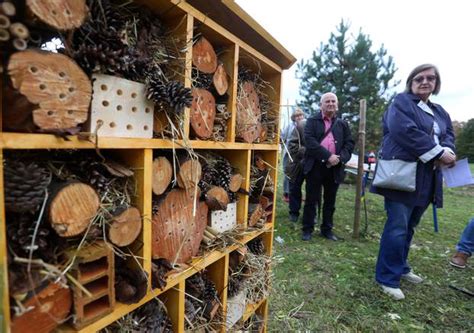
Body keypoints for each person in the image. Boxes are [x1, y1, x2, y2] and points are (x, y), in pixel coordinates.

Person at [371, 64, 456, 300]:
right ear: (411, 81)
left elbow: (448, 133)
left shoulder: (440, 111)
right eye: (419, 78)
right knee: (397, 226)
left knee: (409, 227)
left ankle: (401, 266)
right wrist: (438, 152)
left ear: (437, 84)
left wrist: (448, 149)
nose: (425, 82)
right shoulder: (401, 102)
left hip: (428, 177)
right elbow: (404, 131)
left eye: (431, 78)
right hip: (402, 173)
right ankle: (387, 277)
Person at [301, 92, 354, 241]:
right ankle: (307, 229)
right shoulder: (312, 121)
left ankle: (327, 230)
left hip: (335, 168)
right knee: (311, 199)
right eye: (327, 101)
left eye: (333, 101)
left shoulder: (343, 124)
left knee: (330, 201)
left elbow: (349, 144)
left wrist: (340, 158)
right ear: (321, 105)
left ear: (337, 105)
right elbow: (310, 142)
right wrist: (328, 156)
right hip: (316, 166)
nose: (330, 103)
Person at [280, 108, 305, 203]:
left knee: (299, 175)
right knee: (289, 173)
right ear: (293, 118)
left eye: (300, 115)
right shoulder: (290, 126)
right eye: (297, 116)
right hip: (289, 154)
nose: (299, 117)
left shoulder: (305, 126)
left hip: (301, 155)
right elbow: (283, 137)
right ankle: (286, 194)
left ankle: (296, 195)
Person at [285, 118, 306, 223]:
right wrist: (306, 150)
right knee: (294, 188)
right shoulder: (301, 126)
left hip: (314, 164)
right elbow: (292, 145)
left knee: (313, 190)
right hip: (297, 164)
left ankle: (311, 214)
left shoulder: (320, 127)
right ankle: (294, 212)